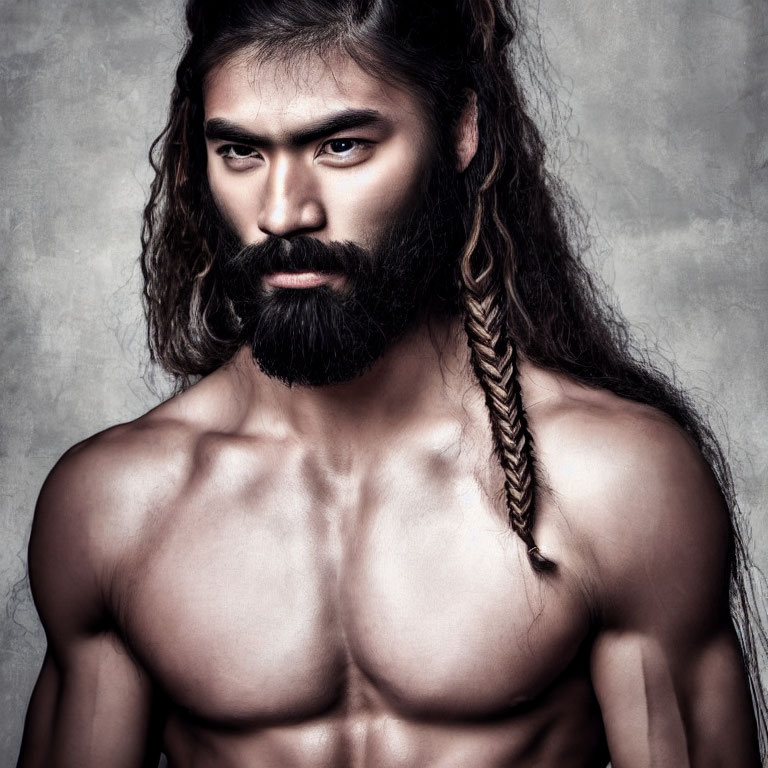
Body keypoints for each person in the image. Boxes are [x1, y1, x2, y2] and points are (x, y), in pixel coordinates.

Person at [16, 0, 766, 765]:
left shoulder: (614, 482)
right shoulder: (114, 506)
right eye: (241, 153)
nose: (282, 212)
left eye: (341, 146)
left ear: (461, 131)